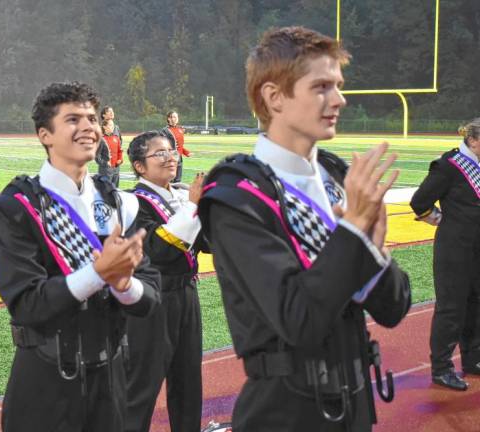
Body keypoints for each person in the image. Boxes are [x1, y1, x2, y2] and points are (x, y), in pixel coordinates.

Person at [198, 27, 411, 431]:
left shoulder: (336, 175)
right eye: (321, 87)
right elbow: (298, 320)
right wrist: (353, 235)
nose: (339, 99)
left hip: (355, 403)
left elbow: (394, 307)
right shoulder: (235, 195)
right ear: (274, 97)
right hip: (286, 411)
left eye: (339, 86)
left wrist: (373, 250)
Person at [0, 82, 161, 431]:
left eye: (92, 118)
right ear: (45, 135)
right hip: (45, 378)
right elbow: (26, 303)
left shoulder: (119, 203)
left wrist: (124, 284)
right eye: (73, 119)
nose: (89, 128)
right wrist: (98, 273)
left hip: (110, 376)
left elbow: (151, 296)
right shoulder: (16, 208)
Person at [124, 131, 208, 432]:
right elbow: (158, 248)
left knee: (188, 381)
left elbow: (205, 243)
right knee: (141, 385)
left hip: (186, 292)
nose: (170, 156)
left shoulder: (183, 196)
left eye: (172, 151)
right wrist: (193, 207)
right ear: (139, 166)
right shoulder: (132, 203)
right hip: (153, 297)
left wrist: (210, 208)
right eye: (159, 153)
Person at [410, 119, 480, 391]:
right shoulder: (448, 167)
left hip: (476, 249)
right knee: (451, 307)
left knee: (476, 303)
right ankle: (441, 368)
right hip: (454, 250)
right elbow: (419, 202)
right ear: (473, 141)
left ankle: (473, 358)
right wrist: (442, 221)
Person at [162, 111, 191, 183]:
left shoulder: (180, 129)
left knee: (178, 180)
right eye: (173, 117)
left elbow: (179, 145)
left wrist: (186, 152)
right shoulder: (165, 130)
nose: (175, 119)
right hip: (171, 157)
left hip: (179, 157)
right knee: (170, 180)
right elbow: (162, 145)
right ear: (169, 118)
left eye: (176, 117)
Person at [95, 118, 123, 186]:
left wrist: (120, 159)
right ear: (104, 127)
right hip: (105, 170)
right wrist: (105, 163)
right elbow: (97, 157)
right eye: (110, 125)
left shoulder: (116, 138)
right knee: (105, 191)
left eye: (113, 125)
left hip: (116, 169)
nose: (112, 127)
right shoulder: (101, 140)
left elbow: (120, 151)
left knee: (115, 190)